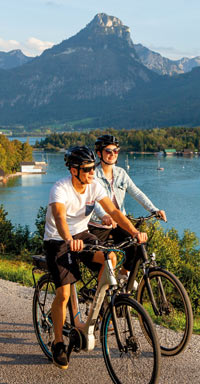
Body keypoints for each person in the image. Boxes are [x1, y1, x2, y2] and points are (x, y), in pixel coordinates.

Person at [43, 145, 147, 370]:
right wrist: (69, 239)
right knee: (63, 293)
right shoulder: (60, 189)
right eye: (88, 169)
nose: (92, 172)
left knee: (111, 257)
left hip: (82, 235)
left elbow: (114, 212)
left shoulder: (93, 186)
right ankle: (58, 343)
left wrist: (134, 232)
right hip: (58, 240)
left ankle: (95, 309)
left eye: (93, 168)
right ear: (74, 170)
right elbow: (60, 218)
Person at [89, 134, 166, 281]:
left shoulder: (121, 173)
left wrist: (154, 210)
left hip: (118, 222)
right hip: (98, 225)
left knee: (137, 244)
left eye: (116, 151)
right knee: (106, 260)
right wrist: (103, 216)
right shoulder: (93, 175)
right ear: (99, 153)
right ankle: (101, 294)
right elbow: (92, 202)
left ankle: (124, 275)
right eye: (108, 151)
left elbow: (136, 192)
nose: (112, 154)